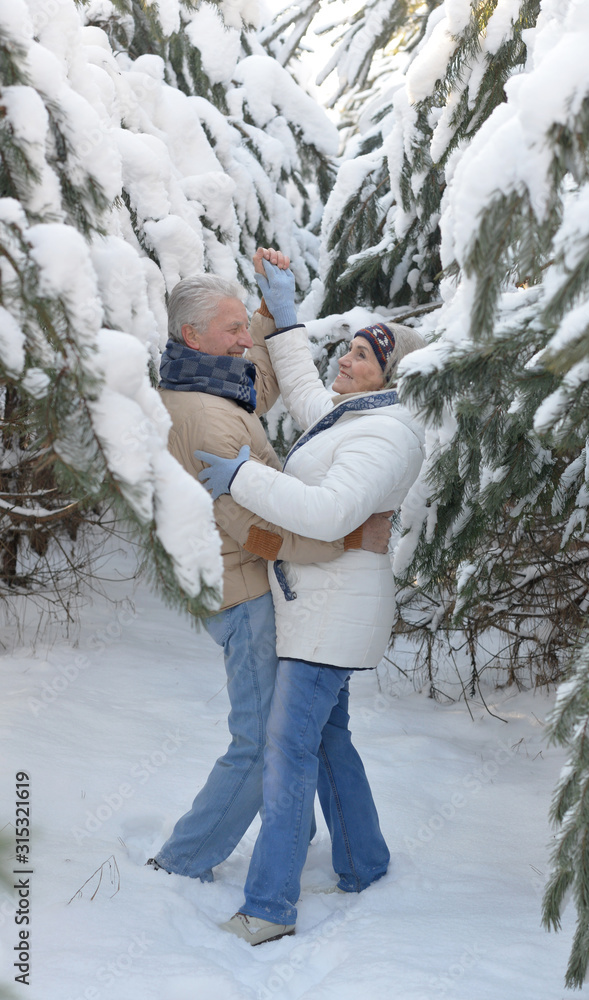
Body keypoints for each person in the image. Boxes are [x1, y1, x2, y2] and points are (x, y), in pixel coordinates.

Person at [196, 253, 426, 944]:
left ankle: (269, 906)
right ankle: (363, 860)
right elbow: (303, 390)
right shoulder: (356, 417)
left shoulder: (388, 434)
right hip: (319, 605)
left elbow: (325, 514)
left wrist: (241, 480)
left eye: (363, 356)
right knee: (327, 739)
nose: (347, 361)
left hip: (330, 617)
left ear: (391, 379)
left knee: (285, 747)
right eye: (351, 349)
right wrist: (286, 317)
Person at [148, 260, 392, 883]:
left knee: (298, 729)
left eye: (241, 328)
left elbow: (256, 384)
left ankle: (299, 831)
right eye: (232, 329)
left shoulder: (207, 379)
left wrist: (266, 311)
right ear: (194, 335)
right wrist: (339, 540)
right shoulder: (206, 416)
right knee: (260, 745)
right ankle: (184, 860)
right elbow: (252, 526)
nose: (241, 341)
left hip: (248, 585)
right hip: (245, 591)